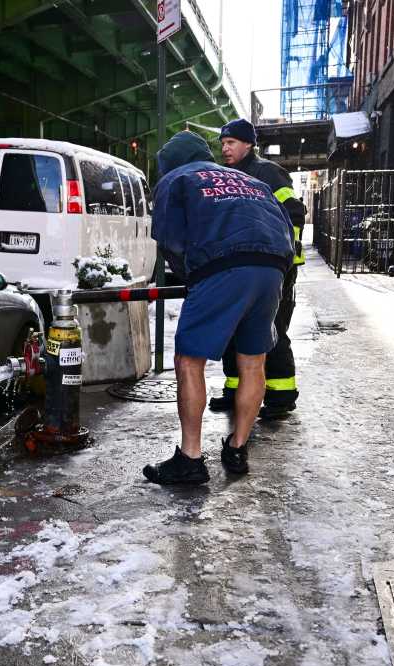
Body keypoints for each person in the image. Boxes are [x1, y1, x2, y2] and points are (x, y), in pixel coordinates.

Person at [143, 131, 294, 485]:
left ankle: (190, 459)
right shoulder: (249, 180)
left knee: (189, 360)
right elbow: (286, 226)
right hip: (272, 267)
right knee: (253, 362)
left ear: (168, 164)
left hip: (222, 265)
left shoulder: (176, 179)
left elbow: (170, 240)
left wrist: (192, 277)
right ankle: (237, 448)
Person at [210, 118, 306, 419]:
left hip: (274, 267)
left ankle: (281, 395)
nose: (225, 148)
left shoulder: (268, 172)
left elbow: (294, 212)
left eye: (231, 143)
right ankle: (234, 391)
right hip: (239, 265)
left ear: (249, 144)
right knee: (233, 328)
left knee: (271, 329)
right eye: (223, 143)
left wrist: (284, 255)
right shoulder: (225, 175)